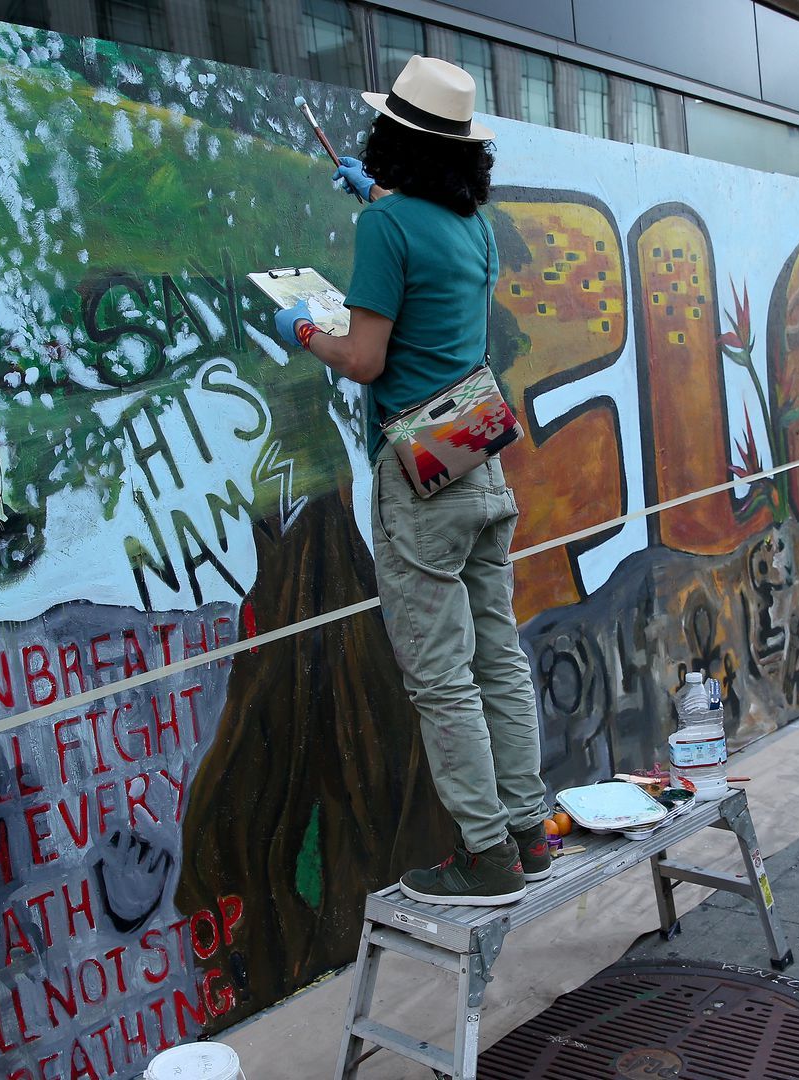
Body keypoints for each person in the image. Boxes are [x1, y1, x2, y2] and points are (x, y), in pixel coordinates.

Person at [274, 56, 547, 907]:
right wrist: (377, 201)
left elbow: (365, 358)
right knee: (497, 653)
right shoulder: (470, 225)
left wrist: (302, 330)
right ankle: (527, 830)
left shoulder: (386, 231)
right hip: (478, 452)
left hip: (418, 472)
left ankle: (484, 856)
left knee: (439, 676)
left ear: (393, 140)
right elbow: (424, 251)